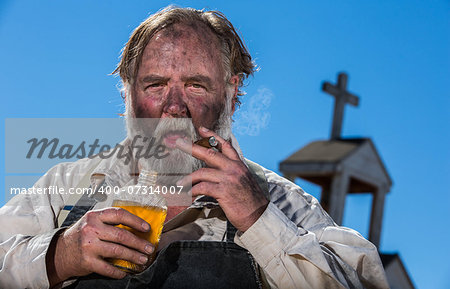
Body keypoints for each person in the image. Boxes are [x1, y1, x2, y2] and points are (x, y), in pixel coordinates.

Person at [0, 6, 389, 289]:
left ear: (233, 93)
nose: (173, 107)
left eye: (195, 85)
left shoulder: (285, 203)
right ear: (127, 93)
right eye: (155, 85)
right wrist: (59, 255)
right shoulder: (68, 184)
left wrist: (259, 218)